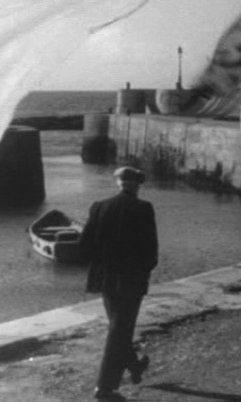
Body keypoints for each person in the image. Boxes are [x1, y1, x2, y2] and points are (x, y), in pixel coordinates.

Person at [79, 166, 158, 400]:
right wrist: (144, 272)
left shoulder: (99, 207)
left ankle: (133, 364)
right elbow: (150, 248)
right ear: (137, 185)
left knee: (118, 327)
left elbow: (84, 246)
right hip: (131, 279)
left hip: (105, 278)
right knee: (120, 330)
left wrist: (102, 263)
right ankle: (105, 387)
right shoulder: (143, 208)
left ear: (118, 183)